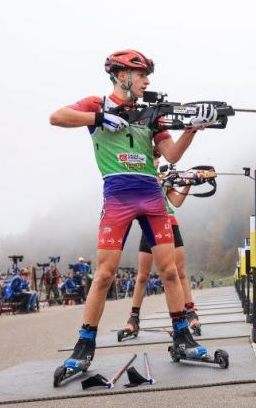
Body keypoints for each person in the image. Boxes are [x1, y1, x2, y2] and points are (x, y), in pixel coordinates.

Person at [49, 49, 215, 377]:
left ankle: (182, 336)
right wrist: (97, 119)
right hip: (118, 196)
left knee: (169, 272)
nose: (147, 81)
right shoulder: (97, 104)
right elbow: (56, 117)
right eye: (141, 75)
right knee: (104, 274)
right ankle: (84, 345)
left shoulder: (151, 114)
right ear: (122, 75)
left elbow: (171, 154)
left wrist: (191, 130)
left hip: (152, 197)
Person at [122, 152, 203, 336]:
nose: (158, 161)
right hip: (150, 224)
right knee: (142, 276)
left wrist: (188, 183)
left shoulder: (164, 178)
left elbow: (176, 201)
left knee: (180, 273)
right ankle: (133, 318)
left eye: (158, 158)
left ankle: (190, 312)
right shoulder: (139, 177)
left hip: (170, 222)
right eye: (154, 157)